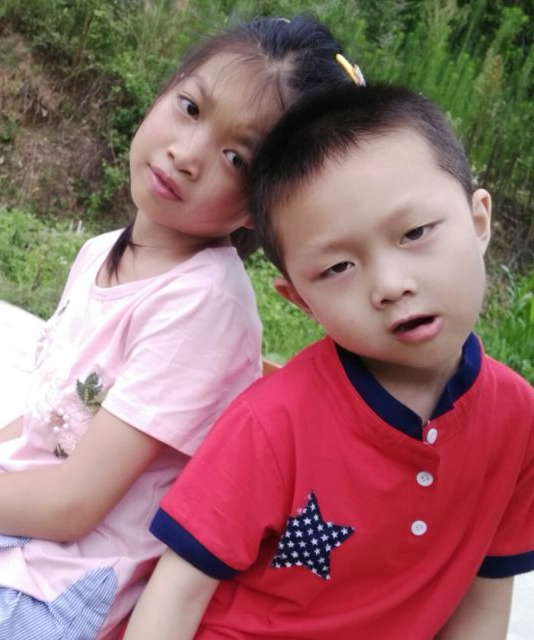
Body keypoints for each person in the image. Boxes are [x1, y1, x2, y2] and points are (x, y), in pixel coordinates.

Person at [0, 16, 365, 640]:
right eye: (190, 107)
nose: (187, 156)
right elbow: (48, 417)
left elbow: (71, 506)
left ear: (261, 204)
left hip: (37, 595)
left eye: (235, 157)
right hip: (5, 542)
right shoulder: (102, 251)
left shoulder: (204, 303)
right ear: (163, 91)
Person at [123, 84, 534, 639]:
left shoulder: (517, 420)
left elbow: (484, 604)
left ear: (478, 220)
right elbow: (178, 588)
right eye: (338, 268)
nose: (390, 285)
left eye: (415, 233)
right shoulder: (273, 423)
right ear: (301, 300)